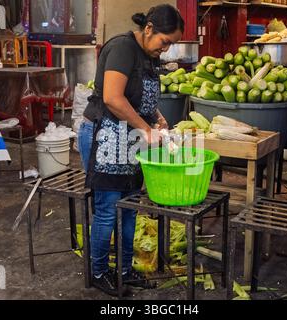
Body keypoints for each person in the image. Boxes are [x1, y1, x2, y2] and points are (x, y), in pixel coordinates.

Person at [77, 4, 184, 296]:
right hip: (104, 138)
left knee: (129, 210)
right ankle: (98, 271)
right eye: (166, 42)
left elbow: (136, 96)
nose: (167, 49)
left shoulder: (147, 55)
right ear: (149, 29)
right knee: (108, 211)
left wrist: (156, 117)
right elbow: (112, 98)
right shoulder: (123, 48)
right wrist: (147, 130)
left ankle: (125, 269)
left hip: (129, 139)